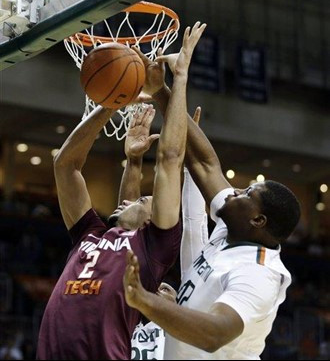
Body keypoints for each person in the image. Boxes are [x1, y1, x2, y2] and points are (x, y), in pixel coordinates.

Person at [36, 21, 206, 360]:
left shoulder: (154, 247)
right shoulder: (90, 235)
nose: (132, 197)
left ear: (149, 221)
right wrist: (111, 103)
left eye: (143, 199)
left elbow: (170, 159)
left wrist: (178, 81)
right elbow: (65, 166)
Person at [123, 44, 301, 359]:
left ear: (258, 221)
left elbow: (214, 334)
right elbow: (206, 164)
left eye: (247, 194)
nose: (234, 191)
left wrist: (145, 300)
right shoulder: (231, 226)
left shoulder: (258, 273)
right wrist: (162, 90)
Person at [127, 109, 209, 360]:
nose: (163, 288)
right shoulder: (125, 324)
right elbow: (127, 229)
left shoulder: (189, 332)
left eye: (170, 290)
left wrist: (189, 157)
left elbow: (195, 225)